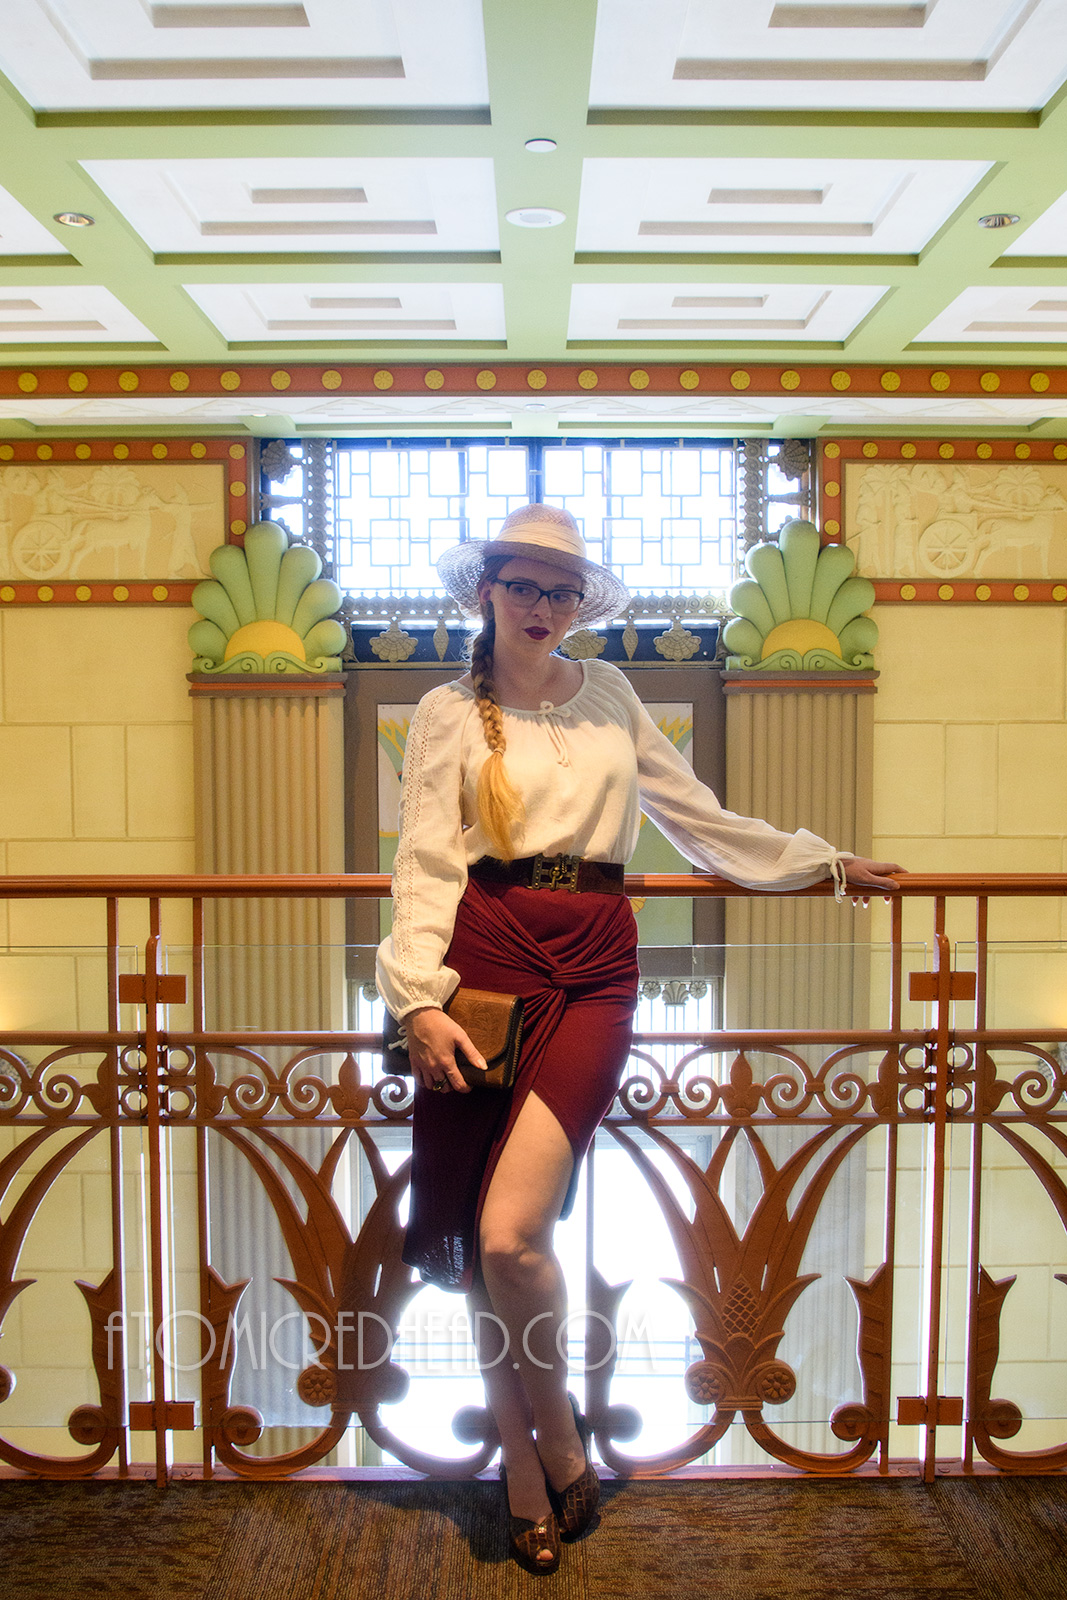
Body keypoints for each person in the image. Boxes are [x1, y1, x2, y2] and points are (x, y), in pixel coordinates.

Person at [375, 503, 900, 1574]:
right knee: (489, 1241)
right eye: (523, 585)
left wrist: (819, 863)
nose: (541, 606)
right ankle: (531, 1467)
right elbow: (426, 861)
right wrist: (416, 999)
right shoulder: (444, 709)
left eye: (560, 591)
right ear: (488, 590)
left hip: (599, 966)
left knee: (511, 1231)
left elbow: (693, 814)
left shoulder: (609, 694)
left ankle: (554, 1430)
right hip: (485, 957)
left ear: (580, 604)